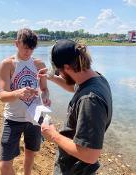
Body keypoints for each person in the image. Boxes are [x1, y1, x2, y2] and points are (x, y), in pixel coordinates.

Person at [40, 39, 112, 175]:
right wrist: (51, 77)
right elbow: (74, 87)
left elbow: (90, 155)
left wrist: (53, 135)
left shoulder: (89, 100)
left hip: (76, 170)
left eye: (59, 71)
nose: (58, 74)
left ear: (67, 67)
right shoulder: (96, 79)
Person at [0, 28, 51, 175]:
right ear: (16, 43)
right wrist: (18, 93)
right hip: (12, 118)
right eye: (25, 47)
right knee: (4, 164)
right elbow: (2, 96)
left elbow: (45, 89)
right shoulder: (7, 64)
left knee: (30, 154)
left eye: (31, 48)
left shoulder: (39, 64)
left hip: (34, 118)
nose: (28, 52)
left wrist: (45, 97)